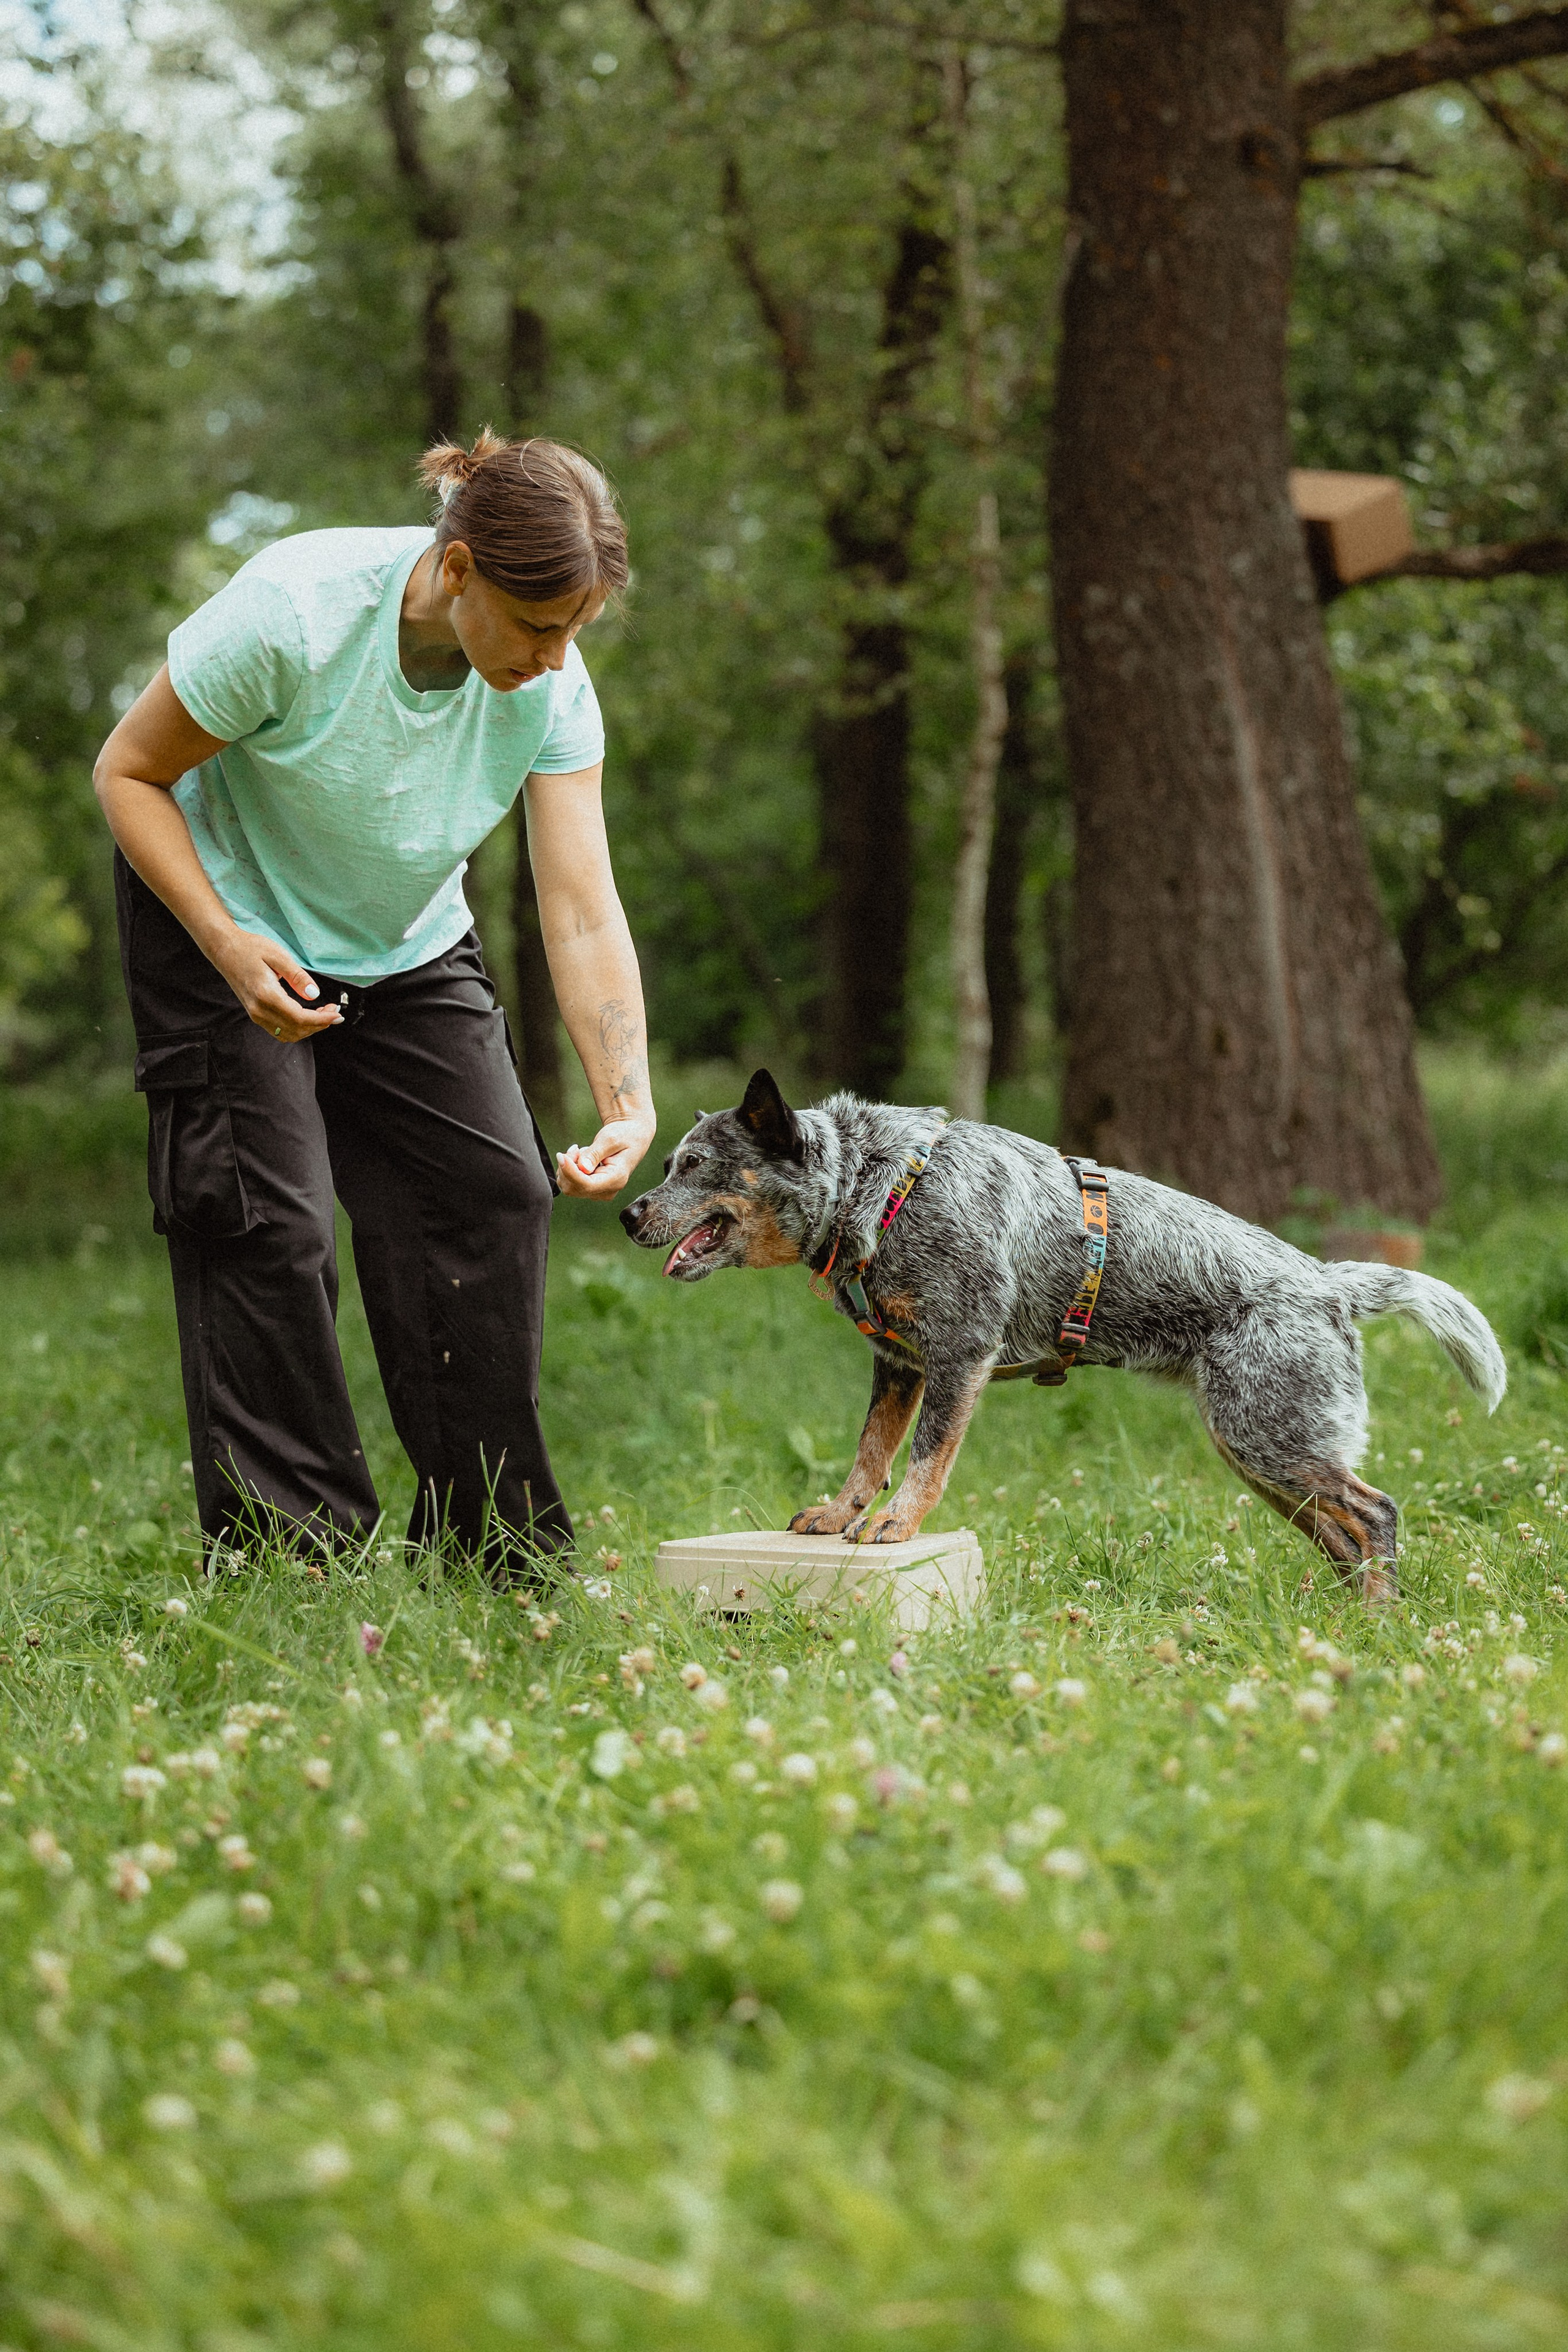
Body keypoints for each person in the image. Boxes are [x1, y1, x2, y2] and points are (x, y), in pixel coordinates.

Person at [92, 431, 655, 1574]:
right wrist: (226, 944)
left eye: (576, 631)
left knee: (494, 1192)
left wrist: (627, 1099)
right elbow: (129, 772)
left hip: (403, 934)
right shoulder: (295, 615)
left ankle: (492, 1549)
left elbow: (582, 906)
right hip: (222, 911)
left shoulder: (552, 684)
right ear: (459, 570)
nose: (555, 659)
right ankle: (293, 1562)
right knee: (270, 1220)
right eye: (537, 626)